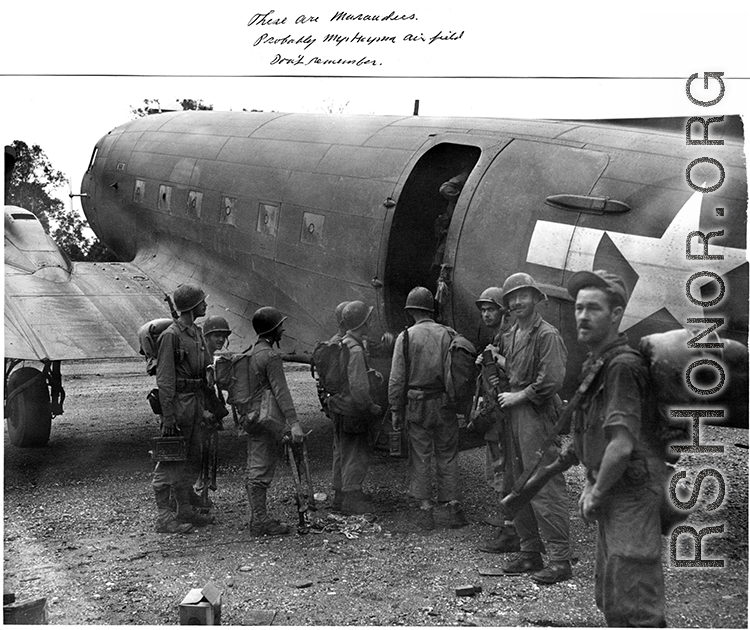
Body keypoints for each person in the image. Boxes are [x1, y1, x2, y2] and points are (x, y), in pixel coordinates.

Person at [567, 270, 667, 626]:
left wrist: (596, 492)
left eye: (593, 308)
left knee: (635, 603)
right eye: (579, 308)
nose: (582, 315)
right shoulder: (598, 363)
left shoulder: (621, 367)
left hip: (631, 491)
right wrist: (591, 481)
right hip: (612, 486)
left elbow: (622, 446)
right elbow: (593, 436)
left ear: (616, 314)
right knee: (612, 597)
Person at [493, 272, 572, 584]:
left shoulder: (547, 335)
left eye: (522, 296)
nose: (516, 302)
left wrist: (519, 396)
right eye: (511, 298)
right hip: (514, 414)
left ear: (537, 298)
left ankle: (560, 560)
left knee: (544, 483)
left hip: (536, 413)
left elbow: (551, 380)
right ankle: (529, 553)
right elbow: (514, 369)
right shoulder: (512, 334)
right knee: (517, 482)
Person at [388, 286, 468, 530]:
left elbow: (397, 377)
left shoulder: (406, 336)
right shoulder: (449, 333)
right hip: (444, 403)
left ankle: (425, 511)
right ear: (431, 310)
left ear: (411, 310)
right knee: (448, 455)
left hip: (417, 404)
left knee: (420, 456)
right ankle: (453, 507)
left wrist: (394, 408)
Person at [152, 284, 214, 534]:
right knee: (169, 461)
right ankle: (164, 518)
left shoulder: (196, 333)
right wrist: (167, 415)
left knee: (192, 458)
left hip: (196, 404)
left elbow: (205, 363)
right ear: (190, 307)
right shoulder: (171, 335)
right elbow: (165, 378)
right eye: (202, 302)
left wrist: (209, 372)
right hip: (178, 406)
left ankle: (184, 509)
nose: (206, 305)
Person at [243, 306, 305, 537]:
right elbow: (282, 392)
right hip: (265, 418)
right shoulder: (270, 356)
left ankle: (258, 518)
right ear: (272, 329)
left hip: (253, 416)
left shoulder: (252, 352)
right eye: (280, 325)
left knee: (256, 466)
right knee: (259, 469)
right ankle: (259, 522)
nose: (283, 329)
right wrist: (295, 422)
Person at [472, 287, 520, 554]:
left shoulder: (510, 338)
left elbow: (519, 372)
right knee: (498, 469)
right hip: (496, 414)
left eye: (490, 309)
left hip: (504, 416)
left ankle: (511, 529)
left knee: (503, 471)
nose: (485, 314)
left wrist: (496, 359)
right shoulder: (499, 337)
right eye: (483, 310)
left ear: (503, 311)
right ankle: (508, 519)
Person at [327, 300, 383, 514]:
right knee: (354, 454)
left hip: (338, 406)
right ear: (363, 324)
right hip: (352, 410)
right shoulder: (356, 349)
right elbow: (359, 386)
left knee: (340, 452)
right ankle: (352, 499)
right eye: (367, 321)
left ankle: (339, 496)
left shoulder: (341, 342)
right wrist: (370, 407)